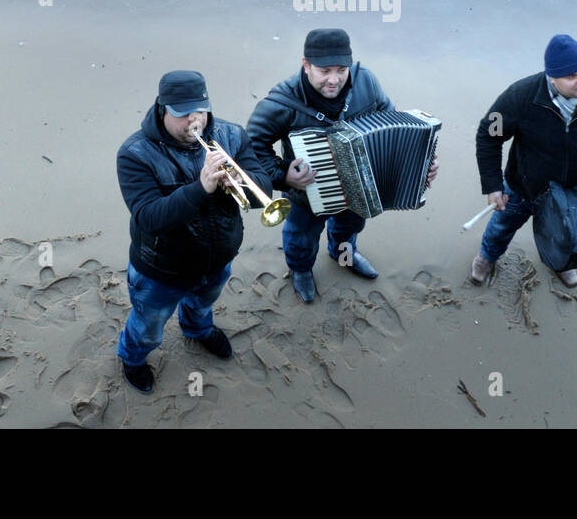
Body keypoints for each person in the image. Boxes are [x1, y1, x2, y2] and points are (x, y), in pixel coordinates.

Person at [246, 28, 437, 303]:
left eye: (341, 70)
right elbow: (252, 149)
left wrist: (422, 161)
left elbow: (392, 119)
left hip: (359, 187)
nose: (333, 80)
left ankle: (342, 255)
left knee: (350, 226)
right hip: (307, 193)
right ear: (306, 65)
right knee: (301, 237)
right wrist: (284, 175)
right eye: (324, 71)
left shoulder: (366, 81)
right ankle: (300, 270)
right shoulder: (280, 102)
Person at [115, 70, 273, 394]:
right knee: (148, 325)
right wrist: (201, 188)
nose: (193, 122)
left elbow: (263, 186)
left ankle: (198, 330)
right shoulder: (135, 154)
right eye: (182, 114)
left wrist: (240, 183)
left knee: (203, 305)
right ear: (163, 108)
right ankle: (132, 358)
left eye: (199, 111)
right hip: (161, 270)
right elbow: (149, 217)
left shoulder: (232, 135)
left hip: (216, 261)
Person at [471, 34, 577, 287]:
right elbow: (488, 135)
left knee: (567, 236)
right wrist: (493, 185)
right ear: (552, 77)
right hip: (524, 186)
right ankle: (486, 257)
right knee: (501, 228)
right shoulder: (520, 96)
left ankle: (562, 263)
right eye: (572, 76)